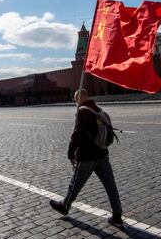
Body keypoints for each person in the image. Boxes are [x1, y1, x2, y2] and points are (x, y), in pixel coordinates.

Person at [49, 88, 124, 228]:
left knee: (75, 183)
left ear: (80, 98)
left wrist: (70, 154)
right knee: (110, 185)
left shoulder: (83, 111)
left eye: (75, 99)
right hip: (103, 154)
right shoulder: (99, 110)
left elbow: (76, 135)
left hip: (87, 156)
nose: (74, 102)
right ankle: (117, 215)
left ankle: (64, 206)